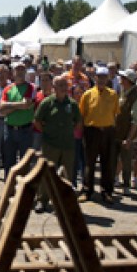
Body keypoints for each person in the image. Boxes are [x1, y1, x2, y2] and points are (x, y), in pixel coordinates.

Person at [34, 76, 81, 212]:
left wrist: (67, 132)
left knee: (67, 175)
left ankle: (64, 202)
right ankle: (42, 201)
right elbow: (37, 121)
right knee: (47, 173)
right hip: (50, 144)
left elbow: (78, 123)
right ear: (54, 88)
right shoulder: (47, 103)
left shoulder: (72, 104)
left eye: (65, 85)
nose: (63, 88)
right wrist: (48, 132)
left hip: (67, 145)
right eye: (60, 85)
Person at [78, 66, 119, 203]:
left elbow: (115, 113)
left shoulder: (113, 94)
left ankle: (107, 191)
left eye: (104, 77)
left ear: (107, 79)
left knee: (107, 163)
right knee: (89, 163)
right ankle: (87, 191)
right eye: (99, 77)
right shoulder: (88, 94)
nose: (101, 79)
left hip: (108, 131)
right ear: (95, 77)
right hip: (91, 131)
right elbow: (82, 115)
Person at [0, 61, 36, 177]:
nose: (20, 72)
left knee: (25, 162)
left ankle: (22, 190)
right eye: (17, 69)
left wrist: (8, 105)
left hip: (25, 130)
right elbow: (1, 110)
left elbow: (26, 105)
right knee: (9, 161)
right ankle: (9, 187)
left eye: (22, 69)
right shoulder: (8, 89)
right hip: (9, 130)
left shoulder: (31, 87)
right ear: (13, 72)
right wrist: (19, 105)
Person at [113, 69, 137, 195]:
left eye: (123, 77)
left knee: (126, 161)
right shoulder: (122, 92)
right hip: (118, 132)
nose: (120, 79)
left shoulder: (136, 97)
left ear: (128, 81)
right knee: (115, 159)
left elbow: (136, 120)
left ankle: (126, 185)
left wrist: (129, 138)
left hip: (127, 135)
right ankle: (115, 180)